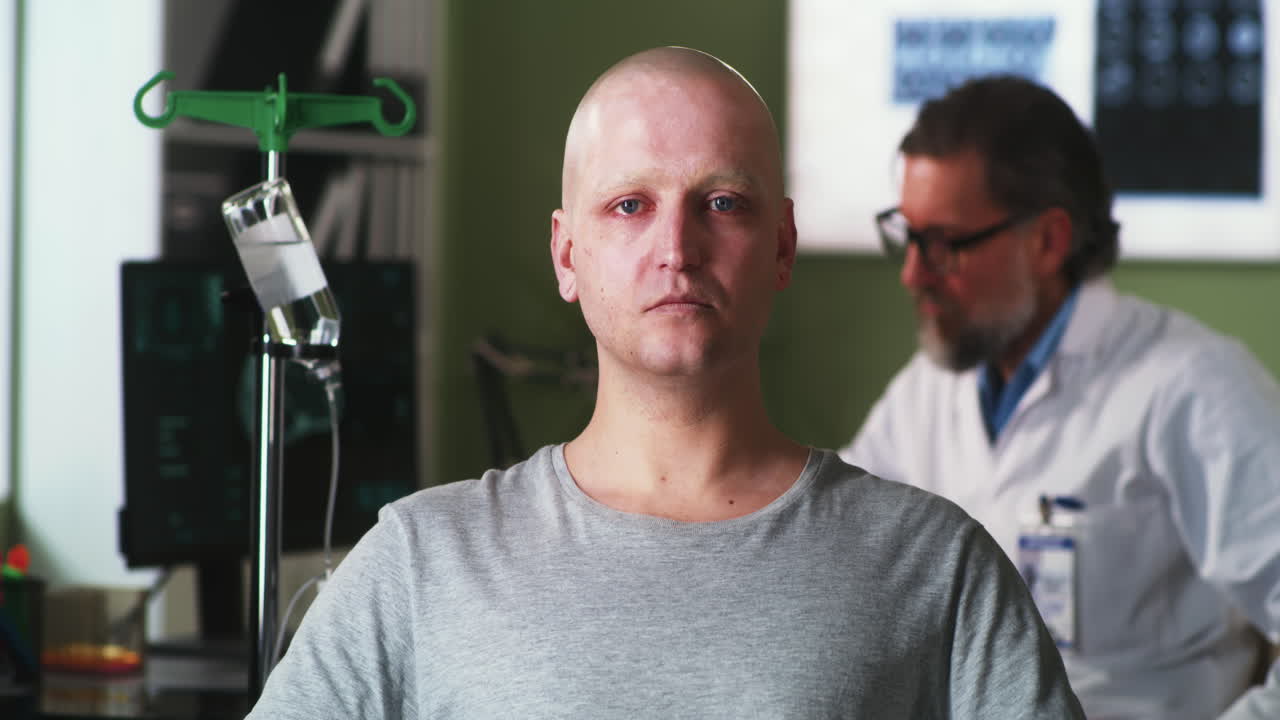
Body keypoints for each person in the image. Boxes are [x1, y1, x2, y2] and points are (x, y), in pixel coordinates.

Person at [246, 48, 1083, 719]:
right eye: (629, 206)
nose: (676, 248)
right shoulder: (422, 560)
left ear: (782, 246)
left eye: (721, 202)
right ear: (566, 253)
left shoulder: (936, 566)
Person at [841, 74, 1280, 720]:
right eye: (907, 235)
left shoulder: (1193, 388)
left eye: (944, 245)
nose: (913, 273)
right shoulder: (929, 389)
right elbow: (839, 552)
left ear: (1047, 241)